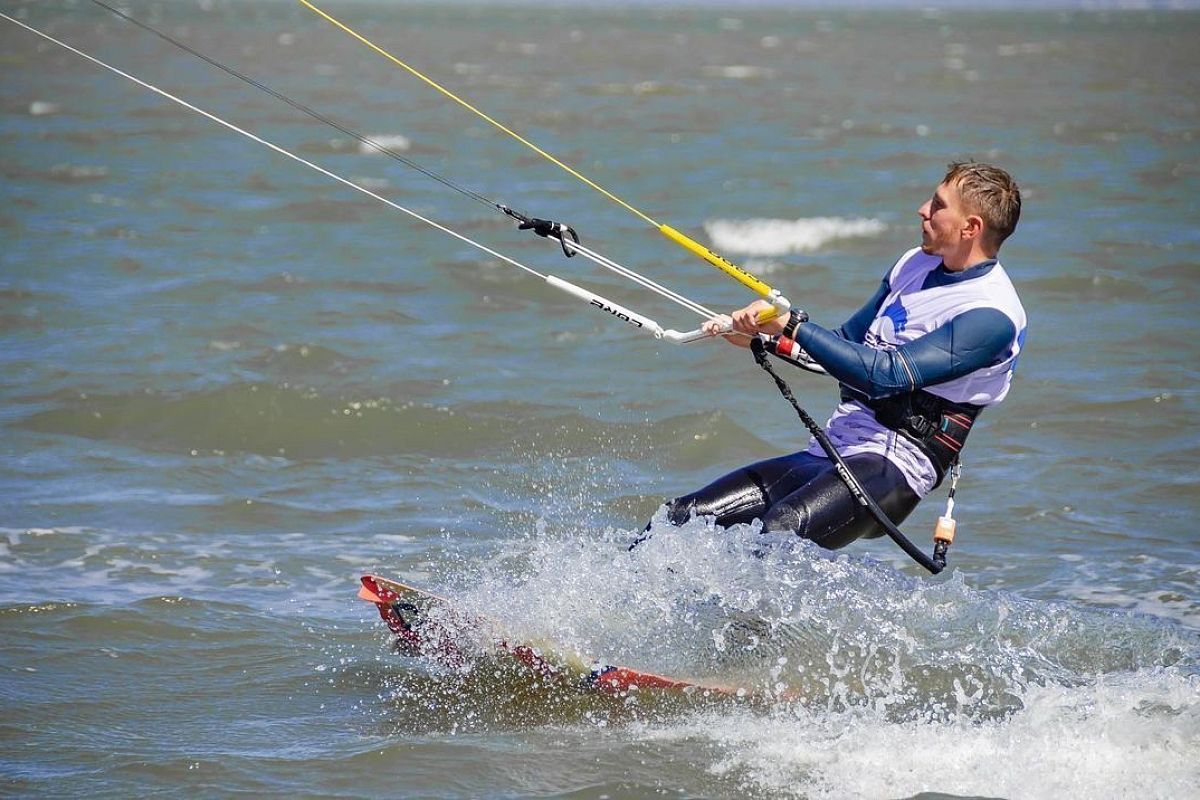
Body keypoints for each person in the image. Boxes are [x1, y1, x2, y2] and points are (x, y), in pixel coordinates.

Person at [651, 161, 1027, 552]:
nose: (922, 210)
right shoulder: (915, 264)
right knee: (679, 517)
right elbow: (845, 345)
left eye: (937, 205)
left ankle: (752, 616)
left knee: (780, 530)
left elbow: (886, 375)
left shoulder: (991, 314)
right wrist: (760, 340)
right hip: (837, 447)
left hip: (894, 468)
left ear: (971, 227)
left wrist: (791, 325)